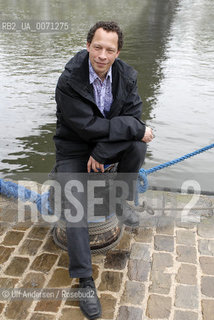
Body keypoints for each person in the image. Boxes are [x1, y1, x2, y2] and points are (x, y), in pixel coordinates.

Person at [53, 21, 154, 320]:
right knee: (74, 201)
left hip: (103, 146)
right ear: (88, 46)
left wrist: (104, 151)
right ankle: (84, 279)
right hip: (73, 147)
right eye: (97, 47)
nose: (102, 55)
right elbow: (86, 127)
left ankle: (118, 199)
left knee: (137, 147)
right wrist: (134, 128)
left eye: (110, 49)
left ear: (118, 52)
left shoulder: (127, 76)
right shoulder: (69, 81)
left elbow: (132, 117)